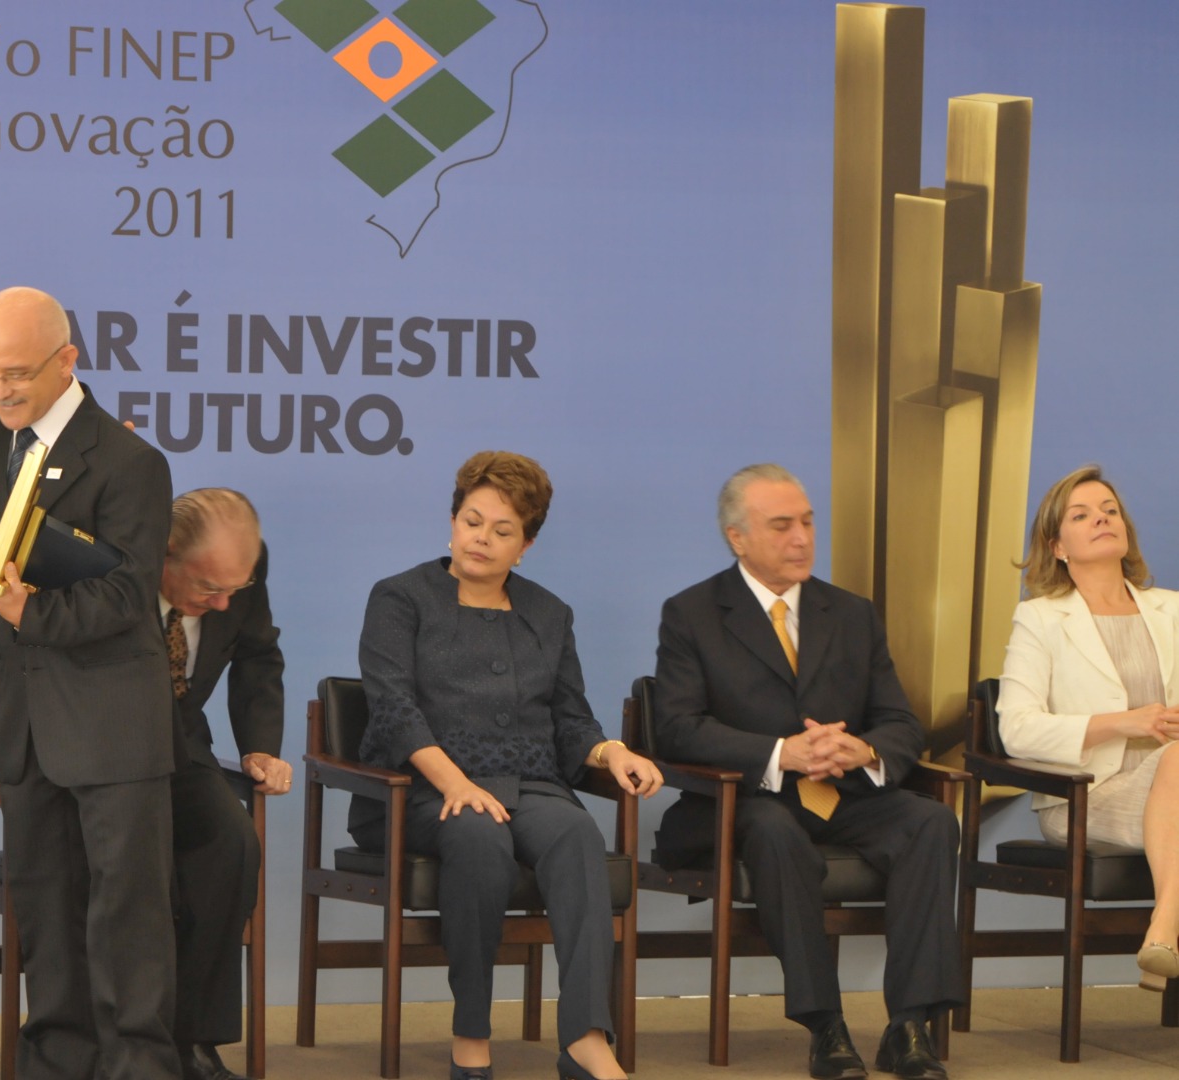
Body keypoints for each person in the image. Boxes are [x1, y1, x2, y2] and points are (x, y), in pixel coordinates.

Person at [353, 450, 662, 1080]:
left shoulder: (549, 613)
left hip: (530, 785)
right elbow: (393, 709)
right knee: (477, 833)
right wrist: (457, 785)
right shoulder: (399, 598)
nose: (482, 539)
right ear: (452, 521)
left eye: (502, 531)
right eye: (472, 522)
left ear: (525, 546)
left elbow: (571, 719)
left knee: (577, 833)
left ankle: (586, 1038)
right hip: (421, 791)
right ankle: (471, 1033)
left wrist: (613, 752)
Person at [652, 463, 960, 1080]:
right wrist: (779, 753)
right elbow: (678, 727)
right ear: (737, 537)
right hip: (745, 802)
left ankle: (909, 1026)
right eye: (781, 526)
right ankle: (826, 1026)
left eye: (808, 523)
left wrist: (864, 751)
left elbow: (900, 721)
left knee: (930, 822)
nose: (801, 539)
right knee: (774, 829)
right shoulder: (692, 613)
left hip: (843, 794)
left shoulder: (851, 613)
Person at [0, 286, 179, 1079]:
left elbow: (127, 597)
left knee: (126, 919)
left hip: (112, 724)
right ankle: (55, 1065)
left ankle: (138, 1068)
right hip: (26, 729)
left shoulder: (131, 461)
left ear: (67, 361)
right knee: (48, 919)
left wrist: (28, 609)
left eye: (15, 373)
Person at [996, 465, 1179, 991]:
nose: (1101, 519)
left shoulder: (1169, 609)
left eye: (1109, 511)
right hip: (1083, 798)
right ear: (1057, 546)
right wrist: (1123, 722)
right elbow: (1017, 730)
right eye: (1081, 515)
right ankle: (1166, 926)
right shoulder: (1040, 618)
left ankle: (1164, 935)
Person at [161, 488, 290, 1080]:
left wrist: (259, 745)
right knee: (138, 868)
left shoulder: (240, 573)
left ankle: (194, 1039)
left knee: (231, 845)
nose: (221, 603)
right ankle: (116, 1038)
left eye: (235, 588)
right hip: (100, 750)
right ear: (165, 554)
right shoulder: (116, 562)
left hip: (181, 745)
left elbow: (258, 655)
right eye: (208, 586)